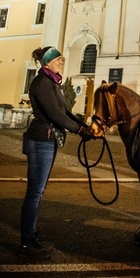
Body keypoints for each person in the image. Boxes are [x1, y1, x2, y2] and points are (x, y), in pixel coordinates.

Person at [18, 46, 94, 260]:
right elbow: (54, 114)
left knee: (38, 192)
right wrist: (79, 130)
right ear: (48, 62)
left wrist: (84, 126)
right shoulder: (42, 83)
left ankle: (32, 236)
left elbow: (64, 112)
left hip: (48, 141)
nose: (62, 61)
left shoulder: (53, 82)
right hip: (40, 140)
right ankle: (26, 243)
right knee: (34, 192)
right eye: (58, 59)